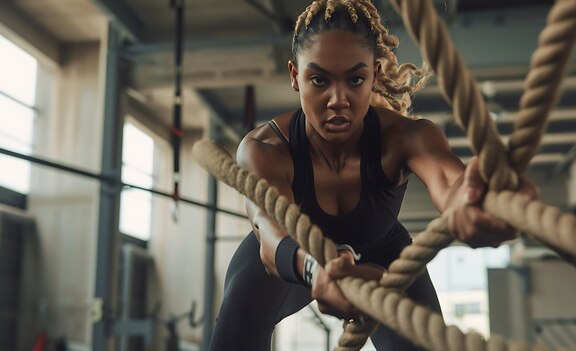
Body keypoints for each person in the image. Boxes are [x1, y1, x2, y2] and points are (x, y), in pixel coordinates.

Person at [208, 1, 536, 350]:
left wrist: (477, 201)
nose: (338, 99)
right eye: (318, 79)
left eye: (355, 79)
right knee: (236, 319)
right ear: (294, 76)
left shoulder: (406, 137)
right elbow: (270, 229)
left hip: (384, 253)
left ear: (375, 75)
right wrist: (315, 270)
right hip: (294, 260)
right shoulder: (265, 148)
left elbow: (451, 183)